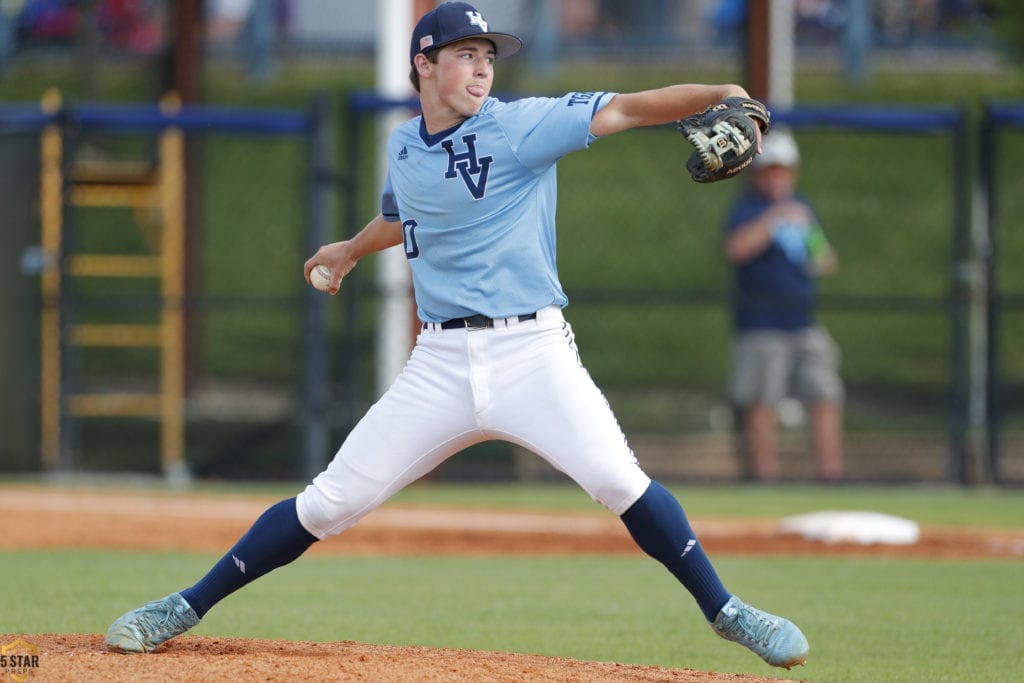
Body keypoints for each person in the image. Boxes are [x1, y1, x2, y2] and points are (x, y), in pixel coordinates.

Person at [104, 2, 809, 670]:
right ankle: (183, 606)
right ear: (423, 65)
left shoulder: (522, 125)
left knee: (618, 481)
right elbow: (407, 213)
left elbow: (625, 106)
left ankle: (726, 609)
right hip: (439, 362)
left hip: (531, 351)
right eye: (465, 55)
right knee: (329, 502)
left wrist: (721, 88)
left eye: (488, 58)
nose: (481, 69)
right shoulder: (404, 142)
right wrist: (350, 248)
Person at [723, 129, 844, 482]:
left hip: (802, 320)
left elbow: (826, 261)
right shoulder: (748, 210)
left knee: (825, 393)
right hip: (761, 323)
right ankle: (765, 476)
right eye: (771, 170)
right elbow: (736, 249)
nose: (777, 177)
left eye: (783, 170)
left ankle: (830, 473)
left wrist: (809, 236)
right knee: (762, 401)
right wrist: (773, 219)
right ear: (758, 173)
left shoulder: (802, 209)